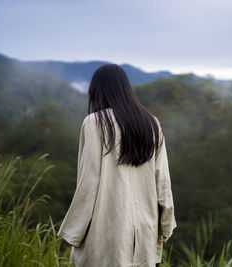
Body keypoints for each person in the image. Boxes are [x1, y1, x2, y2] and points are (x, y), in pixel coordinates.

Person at [57, 64, 177, 267]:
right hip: (144, 229)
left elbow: (88, 181)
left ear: (97, 92)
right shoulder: (152, 124)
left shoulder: (95, 123)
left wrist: (74, 231)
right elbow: (162, 180)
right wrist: (165, 225)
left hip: (105, 227)